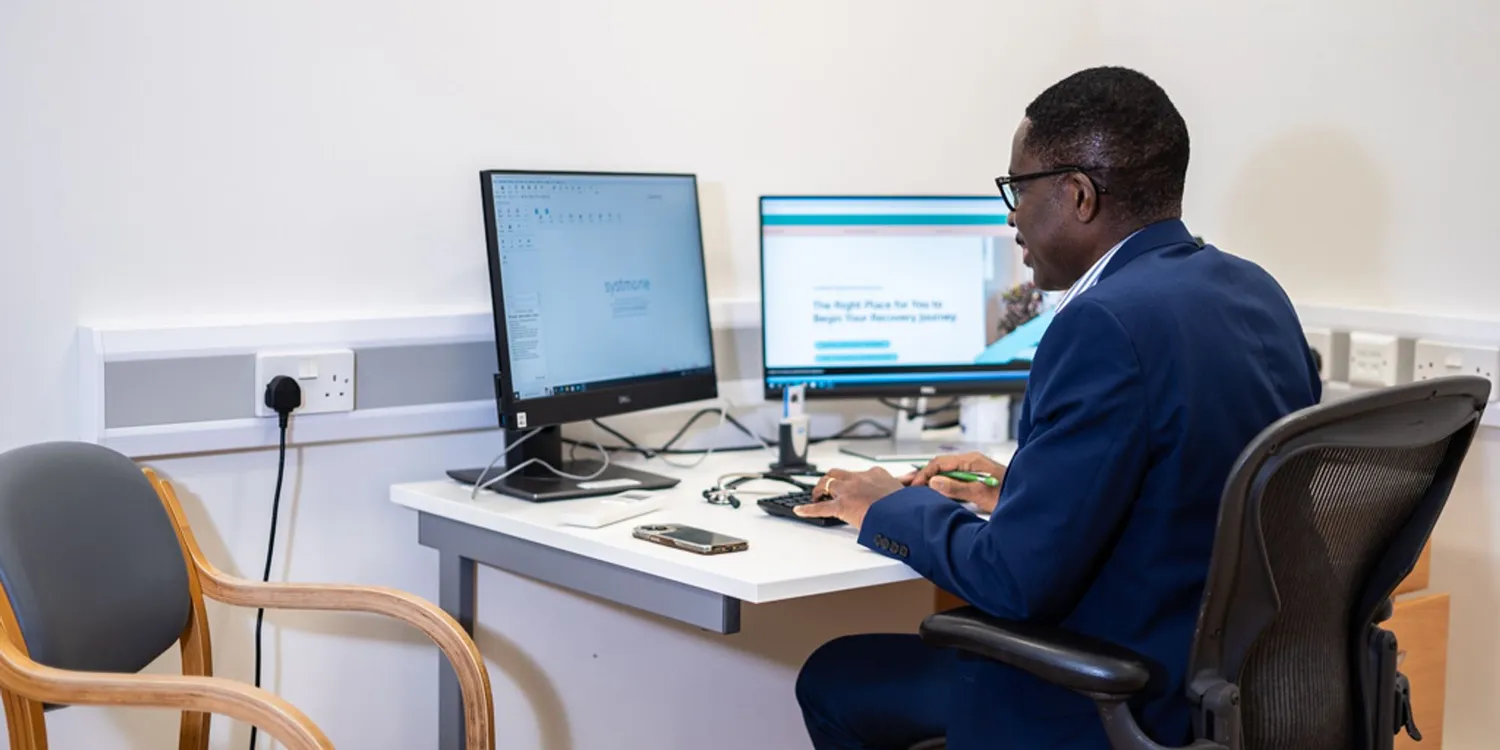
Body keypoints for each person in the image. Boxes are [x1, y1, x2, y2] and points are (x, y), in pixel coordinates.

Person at [791, 66, 1322, 749]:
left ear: (1078, 195)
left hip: (1114, 696)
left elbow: (1013, 583)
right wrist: (1012, 486)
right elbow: (1187, 485)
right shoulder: (1253, 290)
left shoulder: (1102, 323)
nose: (1011, 216)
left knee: (836, 675)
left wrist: (882, 505)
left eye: (1018, 189)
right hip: (1233, 686)